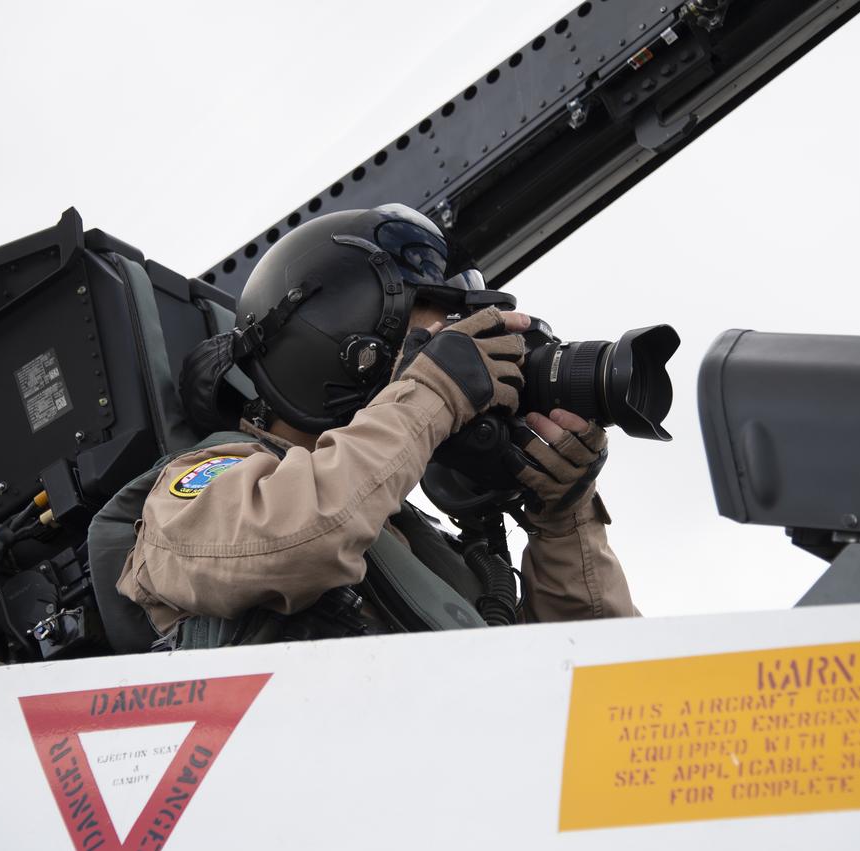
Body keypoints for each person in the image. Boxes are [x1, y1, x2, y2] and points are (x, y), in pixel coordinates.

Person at [116, 204, 636, 645]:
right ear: (343, 350)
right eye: (435, 344)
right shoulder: (194, 494)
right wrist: (432, 393)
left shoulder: (427, 553)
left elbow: (598, 682)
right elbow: (299, 539)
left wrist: (564, 518)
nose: (467, 372)